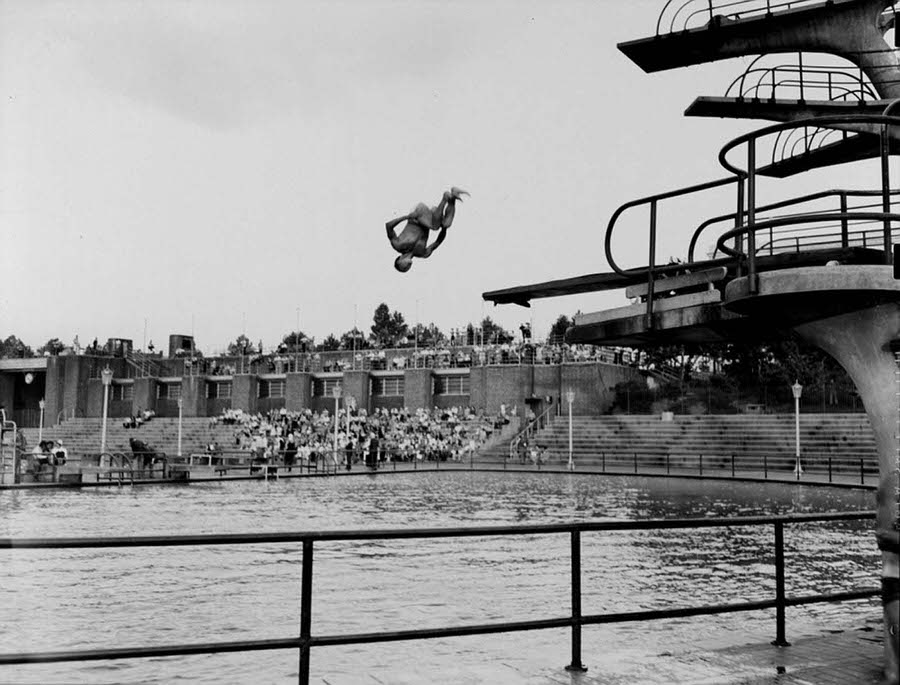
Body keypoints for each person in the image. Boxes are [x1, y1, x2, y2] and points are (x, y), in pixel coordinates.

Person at [385, 187, 468, 272]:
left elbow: (388, 226)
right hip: (431, 217)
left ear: (399, 261)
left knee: (435, 227)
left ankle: (445, 197)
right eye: (407, 269)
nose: (407, 268)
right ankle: (452, 197)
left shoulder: (398, 245)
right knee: (447, 224)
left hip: (417, 215)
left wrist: (406, 217)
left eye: (403, 267)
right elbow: (437, 242)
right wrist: (444, 229)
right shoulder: (423, 253)